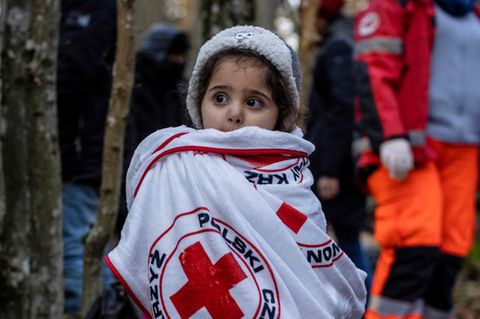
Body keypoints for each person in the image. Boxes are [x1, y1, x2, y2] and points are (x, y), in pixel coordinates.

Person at [106, 25, 367, 318]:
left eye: (253, 102)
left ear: (282, 114)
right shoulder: (176, 168)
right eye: (220, 98)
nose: (234, 113)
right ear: (198, 101)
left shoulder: (292, 183)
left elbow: (309, 281)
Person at [354, 0, 480, 318]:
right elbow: (373, 68)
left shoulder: (473, 13)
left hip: (465, 150)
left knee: (450, 253)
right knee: (415, 243)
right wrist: (390, 135)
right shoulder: (398, 5)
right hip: (411, 147)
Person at [57, 0, 120, 315]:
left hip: (83, 156)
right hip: (73, 153)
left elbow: (75, 71)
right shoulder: (68, 11)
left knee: (79, 245)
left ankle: (90, 309)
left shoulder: (102, 12)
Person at [306, 0, 373, 296]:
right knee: (344, 239)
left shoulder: (339, 48)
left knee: (345, 241)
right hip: (346, 162)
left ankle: (368, 306)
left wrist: (330, 170)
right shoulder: (351, 41)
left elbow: (342, 111)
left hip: (338, 169)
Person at [129, 23, 191, 147]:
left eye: (182, 55)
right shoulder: (132, 87)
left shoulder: (183, 90)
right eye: (174, 54)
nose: (180, 60)